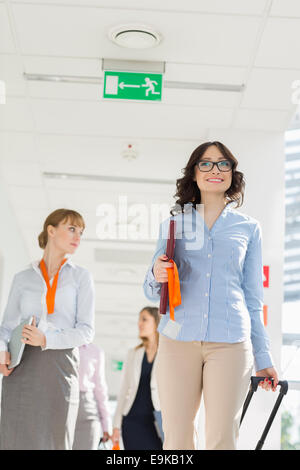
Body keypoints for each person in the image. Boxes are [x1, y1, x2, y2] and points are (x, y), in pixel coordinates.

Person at [143, 141, 279, 450]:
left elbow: (253, 298)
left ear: (233, 172)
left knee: (221, 438)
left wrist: (263, 356)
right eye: (205, 163)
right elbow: (151, 289)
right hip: (177, 339)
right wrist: (156, 273)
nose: (214, 170)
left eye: (223, 164)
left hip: (230, 343)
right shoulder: (174, 224)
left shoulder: (248, 228)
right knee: (177, 439)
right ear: (194, 173)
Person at [0, 209, 95, 450]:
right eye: (71, 229)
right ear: (51, 231)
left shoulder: (81, 277)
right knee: (15, 438)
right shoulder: (22, 278)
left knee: (55, 440)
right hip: (22, 366)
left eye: (81, 232)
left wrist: (46, 338)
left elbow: (86, 331)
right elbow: (7, 326)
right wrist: (2, 351)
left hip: (59, 366)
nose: (77, 237)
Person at [111, 307, 163, 450]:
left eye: (144, 319)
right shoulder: (133, 353)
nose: (139, 323)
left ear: (156, 322)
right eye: (139, 319)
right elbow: (123, 391)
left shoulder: (166, 354)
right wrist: (116, 425)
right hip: (131, 420)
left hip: (156, 422)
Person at [72, 343, 112, 450]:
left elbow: (100, 388)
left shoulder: (96, 351)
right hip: (60, 409)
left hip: (87, 412)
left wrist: (106, 424)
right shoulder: (58, 343)